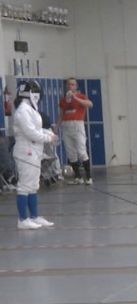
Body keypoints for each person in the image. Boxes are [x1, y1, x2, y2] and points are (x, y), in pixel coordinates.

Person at [12, 80, 57, 229]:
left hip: (34, 151)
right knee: (25, 186)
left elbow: (36, 129)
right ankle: (22, 220)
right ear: (31, 93)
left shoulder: (29, 109)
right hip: (26, 151)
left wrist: (48, 133)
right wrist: (47, 138)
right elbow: (30, 133)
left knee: (33, 186)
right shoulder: (22, 111)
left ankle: (34, 217)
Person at [59, 78, 93, 185]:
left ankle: (88, 177)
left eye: (73, 84)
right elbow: (61, 114)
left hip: (77, 125)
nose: (70, 86)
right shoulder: (63, 100)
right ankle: (78, 176)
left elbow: (90, 104)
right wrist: (56, 128)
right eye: (69, 84)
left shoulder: (81, 96)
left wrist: (75, 97)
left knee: (82, 151)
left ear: (76, 86)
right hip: (66, 126)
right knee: (71, 153)